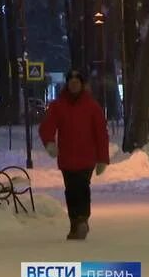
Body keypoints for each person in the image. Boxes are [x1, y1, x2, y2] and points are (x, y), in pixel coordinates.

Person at [39, 70, 109, 241]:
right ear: (67, 84)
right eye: (71, 82)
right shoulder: (58, 105)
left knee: (82, 187)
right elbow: (47, 126)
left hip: (86, 158)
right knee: (71, 190)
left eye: (77, 82)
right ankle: (75, 225)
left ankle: (82, 219)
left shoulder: (92, 106)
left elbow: (101, 133)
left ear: (82, 85)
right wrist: (49, 143)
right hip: (67, 158)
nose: (74, 85)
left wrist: (102, 159)